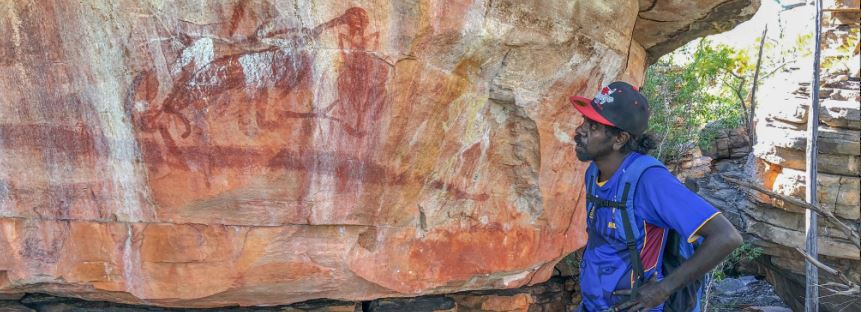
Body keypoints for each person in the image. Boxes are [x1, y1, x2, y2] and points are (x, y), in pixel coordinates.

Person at [568, 81, 743, 312]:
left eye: (593, 126)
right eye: (584, 121)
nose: (580, 130)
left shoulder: (649, 181)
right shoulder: (594, 172)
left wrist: (662, 290)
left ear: (619, 139)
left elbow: (727, 236)